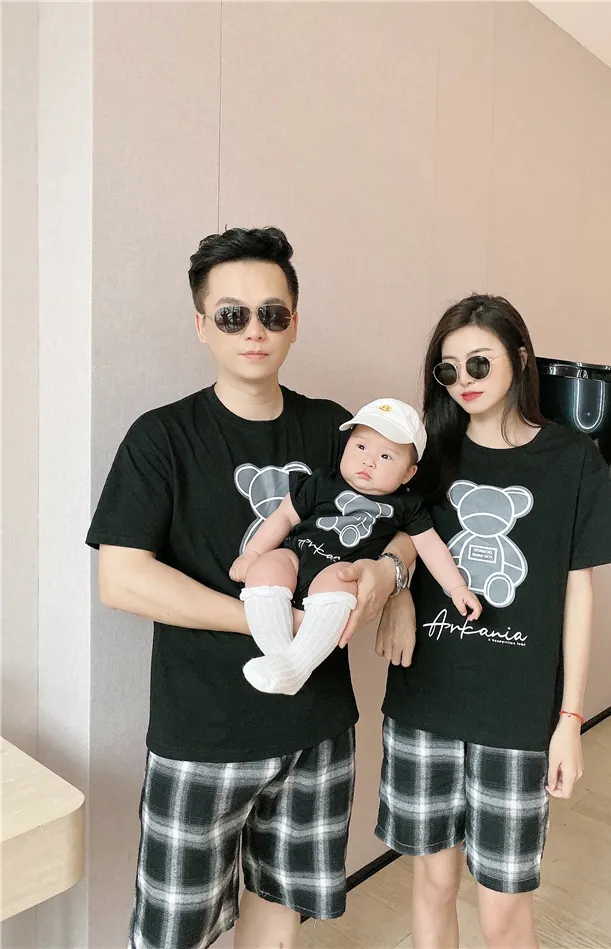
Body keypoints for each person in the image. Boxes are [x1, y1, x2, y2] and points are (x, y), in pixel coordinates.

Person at [86, 226, 415, 949]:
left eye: (272, 313)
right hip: (202, 732)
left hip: (317, 727)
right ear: (201, 325)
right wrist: (271, 623)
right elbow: (122, 578)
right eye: (232, 314)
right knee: (174, 934)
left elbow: (404, 525)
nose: (254, 330)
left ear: (295, 322)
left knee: (278, 918)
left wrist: (392, 579)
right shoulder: (161, 437)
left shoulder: (336, 430)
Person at [374, 294, 611, 949]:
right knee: (433, 886)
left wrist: (570, 719)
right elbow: (398, 537)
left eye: (479, 362)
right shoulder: (429, 455)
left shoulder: (571, 458)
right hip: (425, 701)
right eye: (448, 369)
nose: (463, 380)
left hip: (517, 716)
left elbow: (579, 591)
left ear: (520, 358)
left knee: (503, 912)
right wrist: (399, 592)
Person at [231, 398, 482, 695]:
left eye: (386, 456)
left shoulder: (406, 505)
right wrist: (253, 553)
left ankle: (296, 666)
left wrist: (456, 587)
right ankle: (281, 657)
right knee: (267, 567)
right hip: (298, 557)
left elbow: (429, 545)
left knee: (338, 578)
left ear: (408, 473)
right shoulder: (321, 482)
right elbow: (284, 516)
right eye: (361, 447)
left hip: (344, 575)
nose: (369, 461)